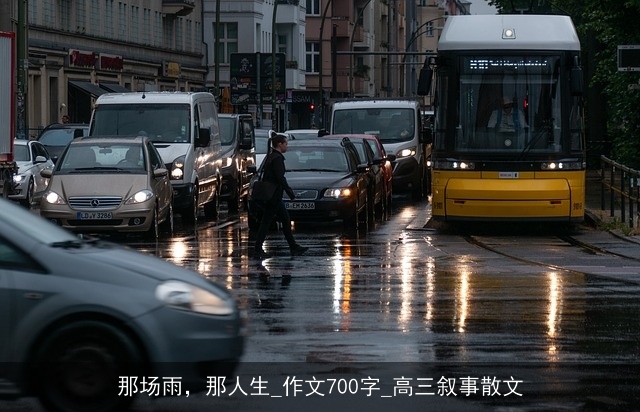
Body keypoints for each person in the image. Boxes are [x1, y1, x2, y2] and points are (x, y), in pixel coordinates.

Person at [253, 133, 308, 259]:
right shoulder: (277, 158)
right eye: (286, 144)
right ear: (280, 144)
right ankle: (258, 248)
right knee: (268, 222)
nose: (287, 146)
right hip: (274, 196)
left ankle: (293, 247)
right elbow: (280, 178)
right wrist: (290, 194)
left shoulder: (271, 156)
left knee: (283, 220)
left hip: (273, 195)